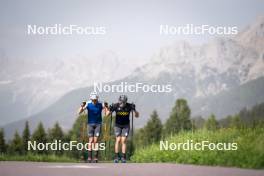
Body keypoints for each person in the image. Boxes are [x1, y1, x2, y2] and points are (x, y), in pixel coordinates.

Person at [107, 95, 139, 163]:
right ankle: (117, 157)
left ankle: (123, 157)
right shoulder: (115, 105)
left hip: (126, 126)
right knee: (118, 140)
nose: (122, 103)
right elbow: (107, 114)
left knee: (123, 140)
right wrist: (109, 109)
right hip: (117, 125)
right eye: (121, 101)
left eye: (123, 102)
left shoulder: (129, 106)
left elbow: (137, 116)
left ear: (125, 101)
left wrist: (134, 110)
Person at [78, 91, 107, 163]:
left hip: (98, 124)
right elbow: (78, 112)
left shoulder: (101, 103)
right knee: (90, 141)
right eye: (93, 100)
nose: (94, 101)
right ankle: (89, 157)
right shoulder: (88, 103)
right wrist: (82, 106)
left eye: (95, 99)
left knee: (96, 141)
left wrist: (107, 107)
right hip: (90, 124)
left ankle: (96, 157)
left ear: (97, 98)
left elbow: (107, 114)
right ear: (91, 99)